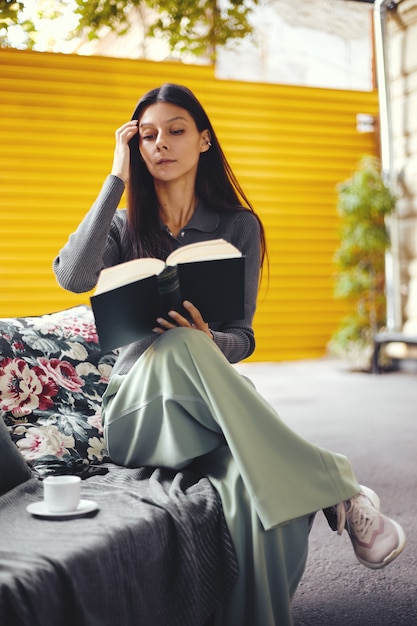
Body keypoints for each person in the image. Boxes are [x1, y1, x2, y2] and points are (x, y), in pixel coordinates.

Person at [53, 83, 406, 626]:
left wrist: (215, 341)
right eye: (146, 136)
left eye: (175, 131)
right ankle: (337, 484)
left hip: (207, 411)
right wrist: (115, 178)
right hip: (139, 412)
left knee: (258, 499)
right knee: (178, 344)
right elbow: (74, 276)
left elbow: (243, 335)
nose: (160, 144)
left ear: (204, 140)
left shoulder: (237, 226)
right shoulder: (122, 227)